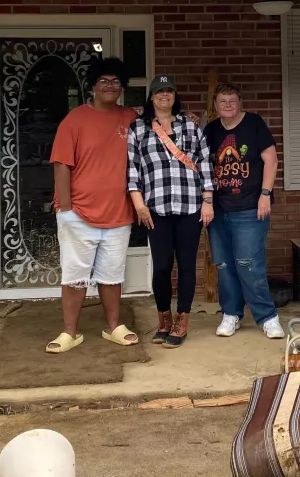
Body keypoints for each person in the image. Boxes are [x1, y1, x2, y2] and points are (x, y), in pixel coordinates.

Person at [46, 57, 140, 354]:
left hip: (119, 213)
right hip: (79, 213)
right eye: (104, 81)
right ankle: (69, 332)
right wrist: (66, 209)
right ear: (93, 86)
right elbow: (61, 164)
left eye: (115, 81)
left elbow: (162, 131)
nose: (110, 86)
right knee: (75, 277)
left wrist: (186, 118)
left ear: (122, 86)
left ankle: (114, 327)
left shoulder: (131, 119)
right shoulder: (74, 120)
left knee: (112, 276)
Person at [127, 75, 215, 348]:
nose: (164, 95)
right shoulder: (138, 129)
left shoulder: (190, 125)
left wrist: (208, 199)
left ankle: (182, 321)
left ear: (175, 96)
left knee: (187, 265)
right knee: (163, 265)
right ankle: (164, 318)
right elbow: (132, 170)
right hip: (156, 208)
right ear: (151, 97)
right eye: (159, 92)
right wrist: (139, 204)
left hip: (190, 206)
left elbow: (205, 162)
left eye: (169, 91)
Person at [204, 83, 284, 339]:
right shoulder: (211, 130)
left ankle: (268, 317)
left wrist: (265, 194)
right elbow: (203, 165)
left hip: (250, 207)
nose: (227, 105)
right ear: (215, 105)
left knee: (249, 264)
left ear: (240, 103)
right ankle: (231, 314)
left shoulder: (254, 124)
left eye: (232, 100)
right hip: (219, 209)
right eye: (222, 101)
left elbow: (271, 160)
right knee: (225, 265)